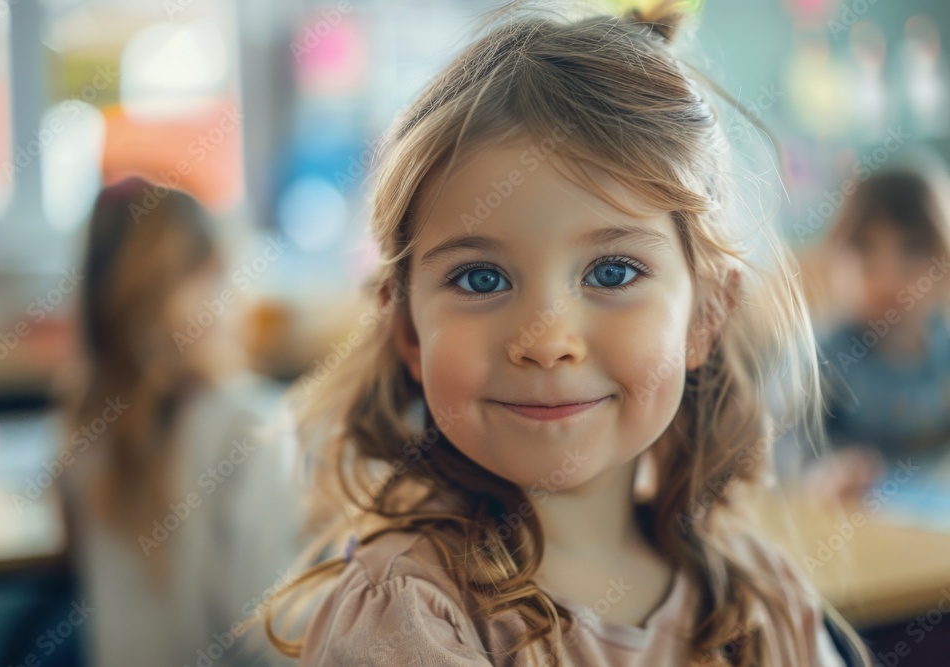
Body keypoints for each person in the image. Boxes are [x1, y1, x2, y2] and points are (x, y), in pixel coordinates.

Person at [263, 4, 869, 666]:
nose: (547, 339)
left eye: (612, 271)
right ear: (407, 327)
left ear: (705, 317)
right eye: (481, 279)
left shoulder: (762, 598)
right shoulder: (406, 615)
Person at [60, 177, 301, 667]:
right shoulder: (251, 424)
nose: (233, 296)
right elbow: (276, 642)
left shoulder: (85, 429)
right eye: (216, 276)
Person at [804, 158, 950, 501]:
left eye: (912, 249)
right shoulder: (823, 355)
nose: (887, 276)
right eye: (864, 249)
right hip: (850, 526)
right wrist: (820, 475)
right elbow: (781, 447)